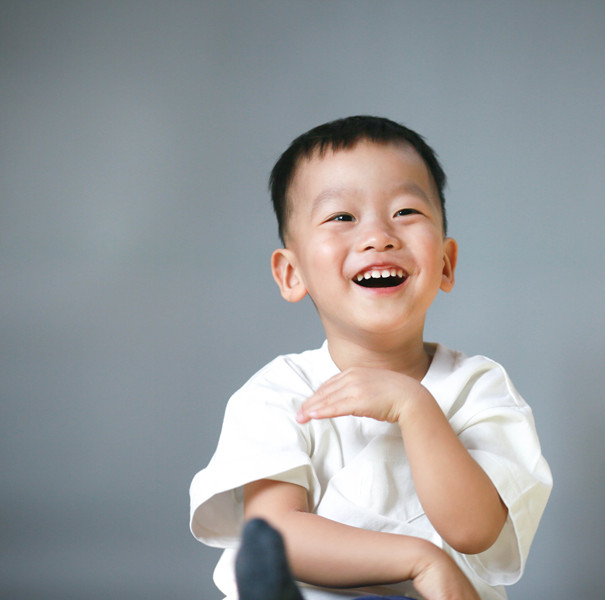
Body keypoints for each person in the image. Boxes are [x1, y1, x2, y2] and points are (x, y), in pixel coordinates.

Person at [189, 116, 552, 600]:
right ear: (292, 274)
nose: (379, 235)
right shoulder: (280, 393)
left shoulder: (478, 388)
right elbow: (274, 536)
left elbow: (475, 530)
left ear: (446, 263)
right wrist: (420, 560)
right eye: (342, 217)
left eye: (405, 211)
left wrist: (413, 405)